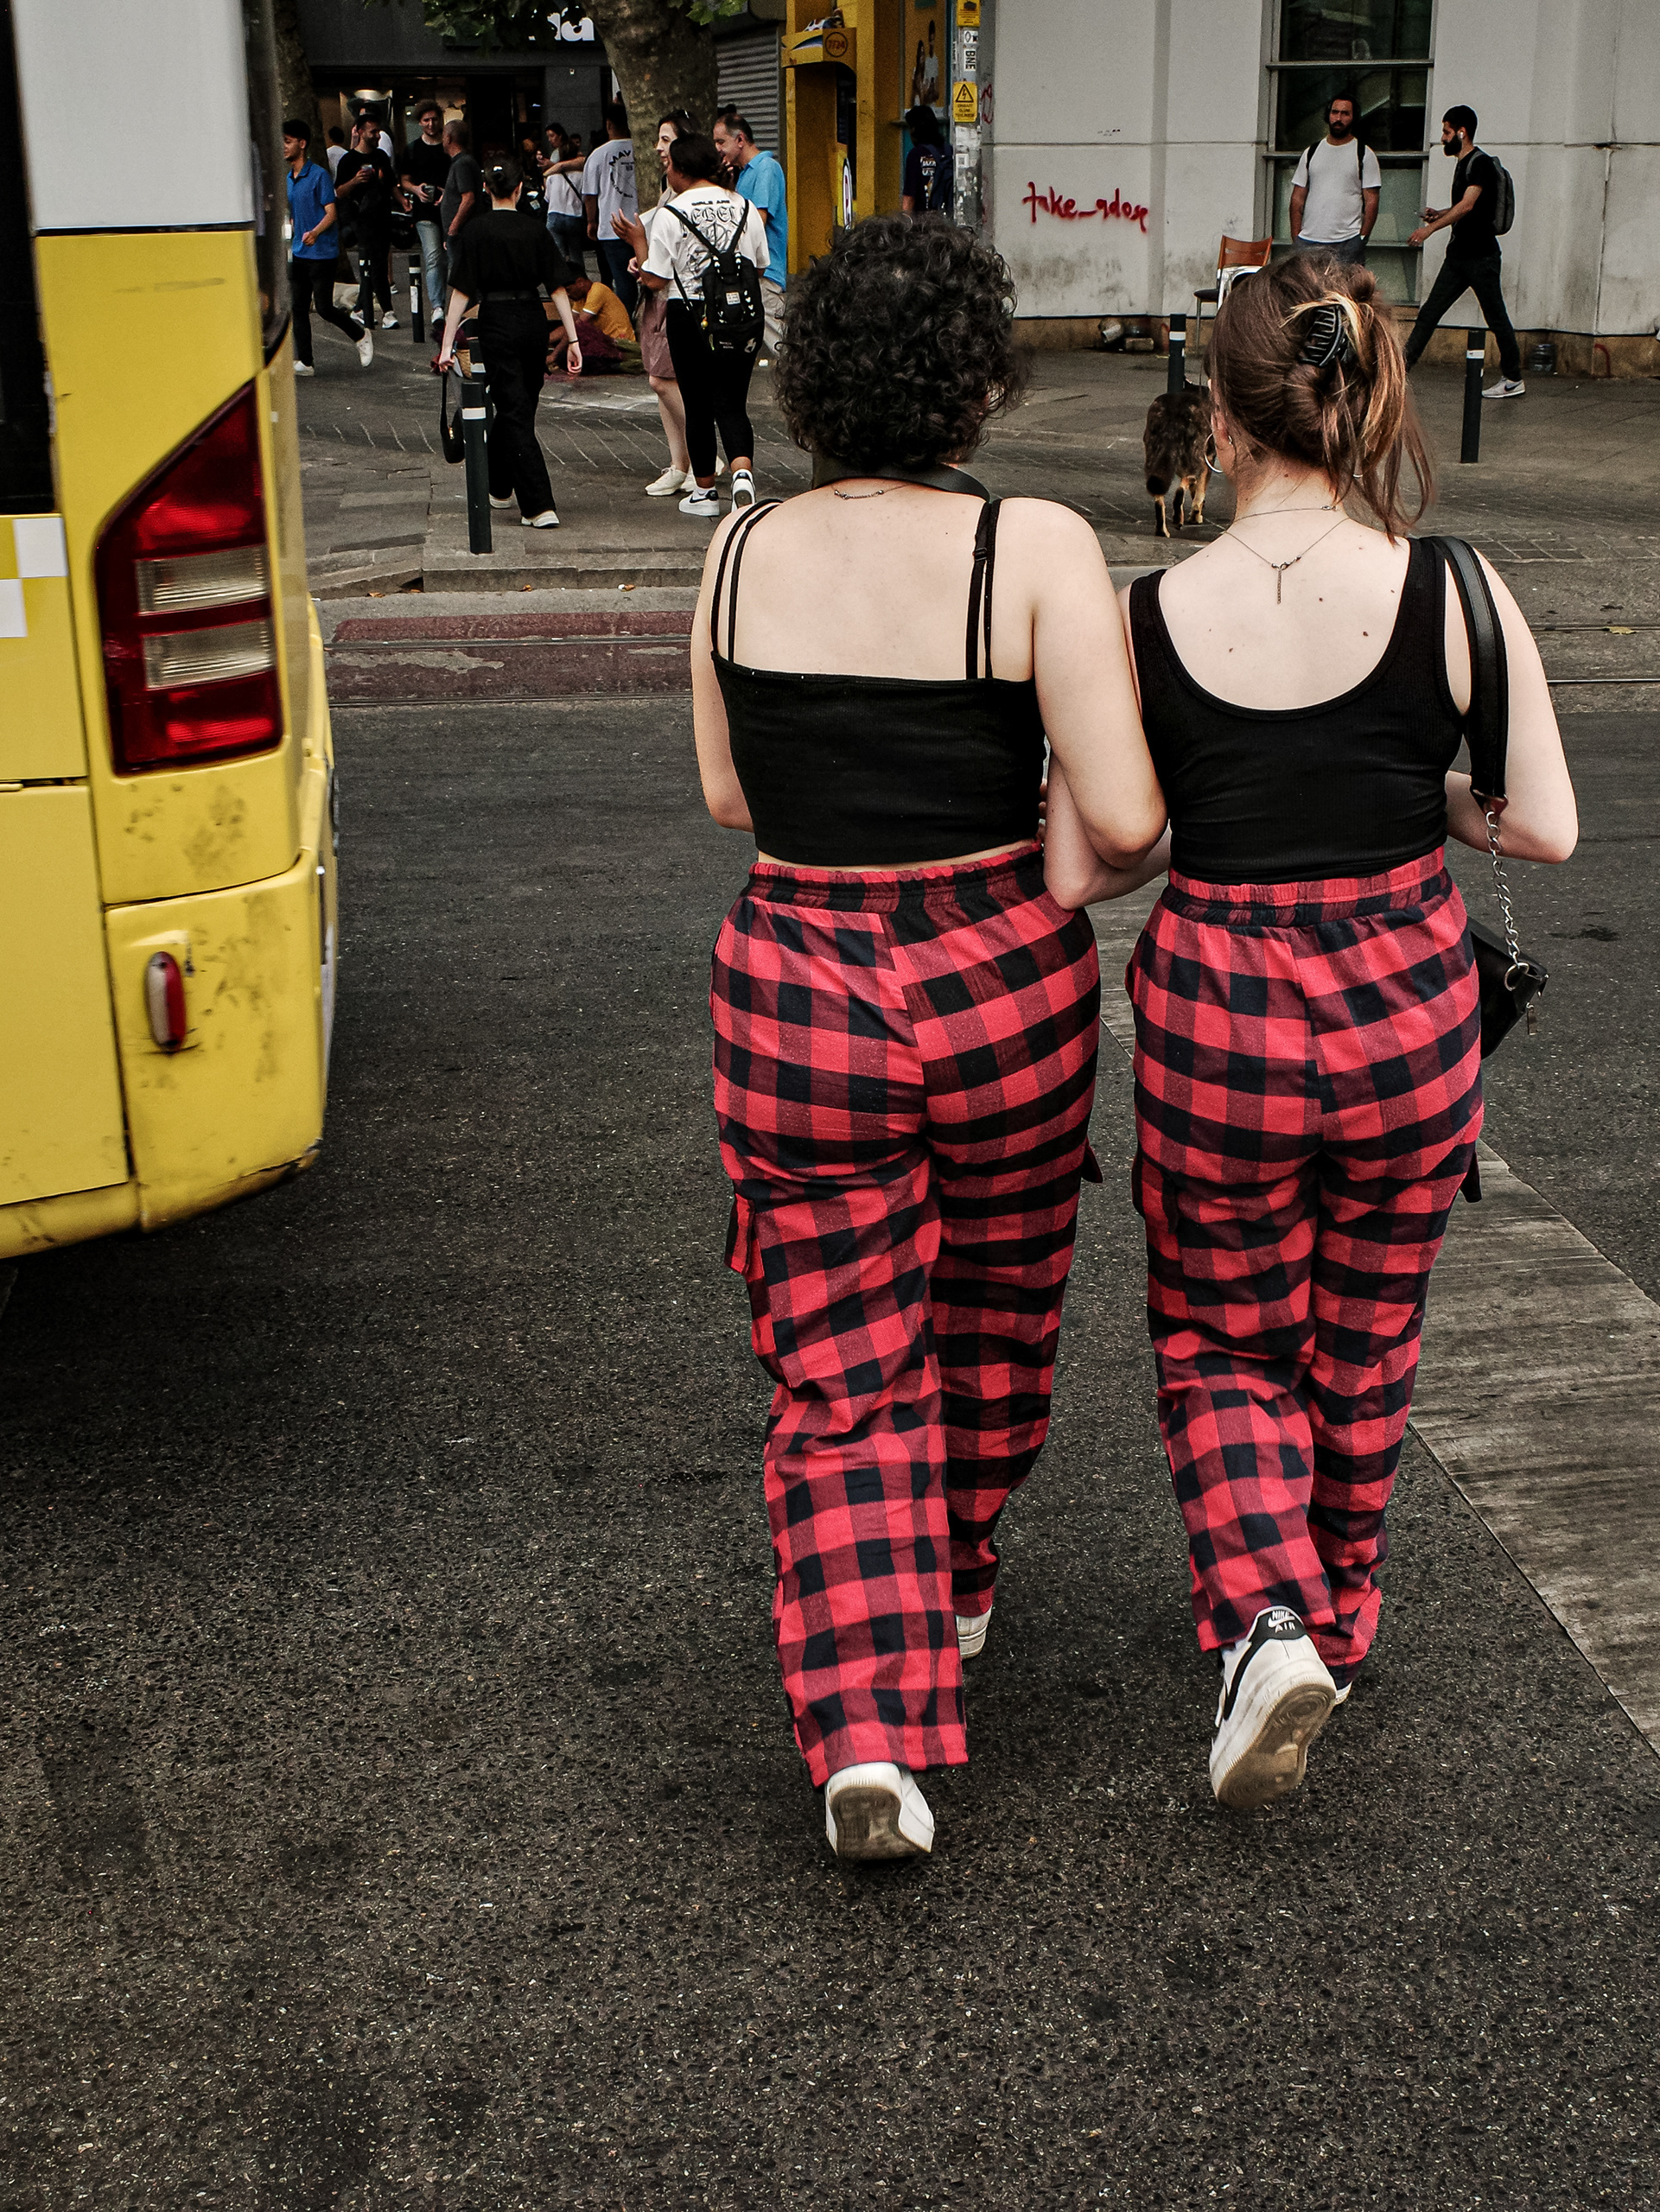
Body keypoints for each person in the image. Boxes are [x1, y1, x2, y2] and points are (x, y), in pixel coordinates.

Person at [1053, 252, 1576, 1813]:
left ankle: (1263, 1618)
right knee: (1366, 1333)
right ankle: (1336, 1613)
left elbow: (1090, 863)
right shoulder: (1459, 589)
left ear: (1220, 421)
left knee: (1224, 1337)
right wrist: (1417, 794)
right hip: (1409, 1007)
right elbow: (1543, 827)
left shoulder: (1146, 616)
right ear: (1359, 402)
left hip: (1218, 1008)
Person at [690, 214, 1162, 1862]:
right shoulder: (1033, 546)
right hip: (999, 978)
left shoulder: (736, 549)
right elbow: (1124, 819)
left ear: (811, 380)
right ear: (978, 382)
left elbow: (730, 796)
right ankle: (952, 1571)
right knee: (997, 1304)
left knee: (837, 1364)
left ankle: (865, 1732)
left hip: (796, 979)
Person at [437, 163, 584, 530]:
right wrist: (573, 339)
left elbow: (461, 292)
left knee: (514, 407)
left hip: (496, 321)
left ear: (486, 188)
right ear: (519, 188)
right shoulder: (536, 228)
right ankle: (531, 500)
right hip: (532, 321)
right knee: (520, 406)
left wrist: (446, 344)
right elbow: (557, 288)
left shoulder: (475, 231)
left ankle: (509, 489)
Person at [643, 132, 771, 518]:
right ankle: (743, 475)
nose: (666, 171)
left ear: (681, 169)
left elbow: (656, 279)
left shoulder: (671, 213)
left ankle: (704, 493)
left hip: (690, 315)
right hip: (740, 315)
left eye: (668, 164)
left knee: (697, 404)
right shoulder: (743, 205)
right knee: (732, 403)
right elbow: (759, 265)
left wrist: (637, 249)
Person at [1402, 104, 1522, 399]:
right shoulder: (1463, 164)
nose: (1442, 138)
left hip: (1481, 257)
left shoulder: (1480, 164)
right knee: (1429, 313)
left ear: (1461, 132)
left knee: (1496, 318)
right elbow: (1465, 208)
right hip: (1458, 257)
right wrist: (1440, 213)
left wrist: (1430, 230)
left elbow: (1468, 205)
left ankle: (1513, 379)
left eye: (1446, 132)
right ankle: (1400, 370)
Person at [620, 112, 698, 497]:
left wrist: (639, 244)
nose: (658, 148)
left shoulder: (690, 197)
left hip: (676, 298)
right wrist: (641, 255)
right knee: (659, 381)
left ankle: (704, 455)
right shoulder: (668, 191)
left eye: (666, 139)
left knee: (663, 380)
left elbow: (671, 263)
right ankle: (679, 464)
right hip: (657, 297)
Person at [283, 119, 370, 376]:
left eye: (287, 142)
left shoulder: (319, 175)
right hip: (299, 251)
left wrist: (315, 232)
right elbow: (297, 212)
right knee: (298, 308)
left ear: (302, 143)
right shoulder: (289, 178)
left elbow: (331, 213)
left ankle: (360, 334)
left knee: (324, 308)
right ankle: (306, 362)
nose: (283, 146)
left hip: (322, 252)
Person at [714, 107, 790, 353]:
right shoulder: (743, 174)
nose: (717, 148)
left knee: (782, 343)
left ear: (740, 140)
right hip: (749, 272)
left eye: (721, 142)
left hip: (765, 273)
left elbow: (758, 220)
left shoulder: (766, 168)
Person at [1287, 92, 1379, 269]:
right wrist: (1296, 237)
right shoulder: (1311, 152)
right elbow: (1297, 197)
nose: (1338, 118)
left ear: (1353, 118)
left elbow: (1372, 200)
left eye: (1345, 114)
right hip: (1308, 241)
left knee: (1346, 287)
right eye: (1335, 112)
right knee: (1306, 287)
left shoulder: (1364, 154)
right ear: (1328, 115)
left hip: (1347, 242)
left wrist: (1362, 237)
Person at [340, 112, 398, 327]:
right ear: (360, 132)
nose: (377, 136)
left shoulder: (381, 156)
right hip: (361, 219)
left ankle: (359, 309)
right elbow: (339, 192)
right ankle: (388, 311)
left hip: (382, 217)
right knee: (376, 265)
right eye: (373, 132)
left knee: (375, 264)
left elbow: (391, 184)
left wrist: (403, 201)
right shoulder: (348, 160)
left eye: (378, 132)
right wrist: (355, 181)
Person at [396, 104, 454, 323]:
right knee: (433, 256)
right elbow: (404, 180)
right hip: (424, 212)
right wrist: (416, 190)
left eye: (434, 119)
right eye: (426, 120)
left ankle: (454, 306)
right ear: (420, 122)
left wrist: (448, 193)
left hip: (450, 211)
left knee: (449, 259)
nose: (431, 124)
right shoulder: (412, 149)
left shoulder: (449, 147)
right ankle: (437, 306)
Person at [581, 106, 641, 298]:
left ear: (608, 125)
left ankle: (627, 314)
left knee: (623, 281)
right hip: (642, 225)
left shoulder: (598, 155)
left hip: (612, 227)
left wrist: (591, 222)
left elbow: (590, 194)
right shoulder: (643, 150)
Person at [539, 123, 593, 275]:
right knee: (576, 253)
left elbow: (547, 198)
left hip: (554, 215)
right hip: (574, 217)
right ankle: (580, 278)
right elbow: (585, 197)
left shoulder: (552, 176)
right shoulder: (581, 176)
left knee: (559, 256)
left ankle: (563, 280)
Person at [440, 119, 482, 299]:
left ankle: (467, 314)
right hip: (461, 233)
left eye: (443, 135)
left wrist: (453, 228)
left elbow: (468, 198)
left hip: (462, 234)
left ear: (449, 138)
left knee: (461, 281)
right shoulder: (463, 162)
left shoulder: (461, 164)